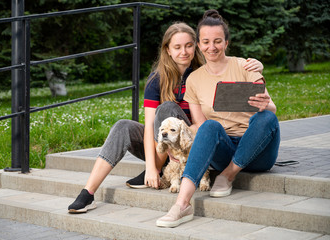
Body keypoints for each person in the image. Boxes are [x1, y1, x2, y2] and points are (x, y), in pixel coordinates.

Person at [67, 22, 264, 213]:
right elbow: (150, 125)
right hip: (161, 145)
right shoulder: (156, 79)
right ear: (168, 50)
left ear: (195, 47)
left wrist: (257, 65)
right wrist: (150, 167)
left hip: (194, 143)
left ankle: (162, 169)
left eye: (188, 46)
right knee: (122, 126)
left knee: (167, 108)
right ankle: (88, 192)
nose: (184, 52)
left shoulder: (203, 73)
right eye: (177, 47)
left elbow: (226, 71)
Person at [156, 10, 280, 228]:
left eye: (217, 41)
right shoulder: (194, 79)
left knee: (267, 116)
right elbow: (200, 125)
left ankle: (228, 175)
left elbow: (273, 108)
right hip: (223, 147)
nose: (211, 47)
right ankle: (182, 205)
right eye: (205, 42)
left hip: (257, 150)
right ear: (199, 44)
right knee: (208, 126)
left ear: (226, 42)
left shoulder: (245, 65)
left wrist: (265, 104)